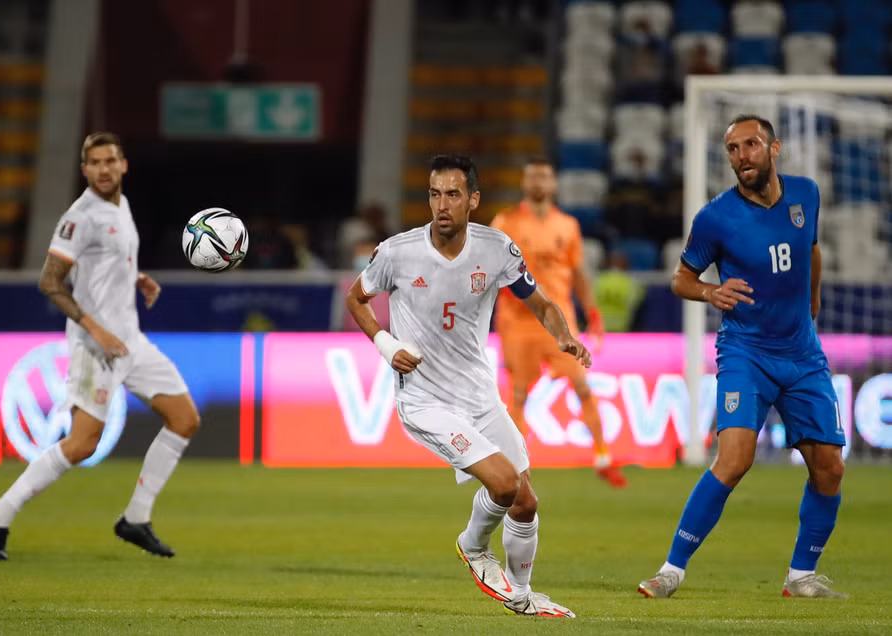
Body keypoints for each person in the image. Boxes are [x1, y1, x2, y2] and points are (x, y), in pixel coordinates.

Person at [346, 154, 589, 617]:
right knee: (502, 484)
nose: (442, 204)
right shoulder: (397, 252)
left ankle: (522, 594)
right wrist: (384, 343)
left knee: (526, 501)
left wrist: (564, 337)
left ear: (472, 200)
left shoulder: (497, 249)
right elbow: (356, 298)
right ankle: (474, 546)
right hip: (425, 400)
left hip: (479, 395)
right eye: (435, 194)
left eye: (453, 194)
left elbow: (541, 303)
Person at [638, 115, 847, 599]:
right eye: (732, 148)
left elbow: (811, 249)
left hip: (802, 353)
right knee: (734, 459)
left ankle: (801, 577)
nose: (740, 156)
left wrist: (813, 301)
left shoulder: (806, 194)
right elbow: (680, 279)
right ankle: (671, 570)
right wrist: (710, 292)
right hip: (746, 352)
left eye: (750, 145)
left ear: (775, 148)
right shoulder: (715, 218)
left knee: (830, 467)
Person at [0, 132, 200, 560]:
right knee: (83, 443)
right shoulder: (80, 217)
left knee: (183, 418)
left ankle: (135, 519)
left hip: (130, 340)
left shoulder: (119, 206)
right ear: (84, 169)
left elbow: (105, 261)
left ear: (124, 165)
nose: (104, 169)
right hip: (95, 346)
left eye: (111, 161)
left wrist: (134, 277)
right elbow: (50, 281)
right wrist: (95, 328)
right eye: (95, 163)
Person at [491, 158, 626, 487]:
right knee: (519, 393)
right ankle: (517, 465)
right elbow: (485, 272)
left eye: (544, 177)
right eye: (532, 177)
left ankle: (603, 456)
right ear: (524, 183)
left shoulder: (567, 226)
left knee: (582, 385)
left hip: (558, 320)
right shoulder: (505, 222)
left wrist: (593, 313)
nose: (538, 183)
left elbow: (578, 274)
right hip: (518, 320)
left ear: (553, 185)